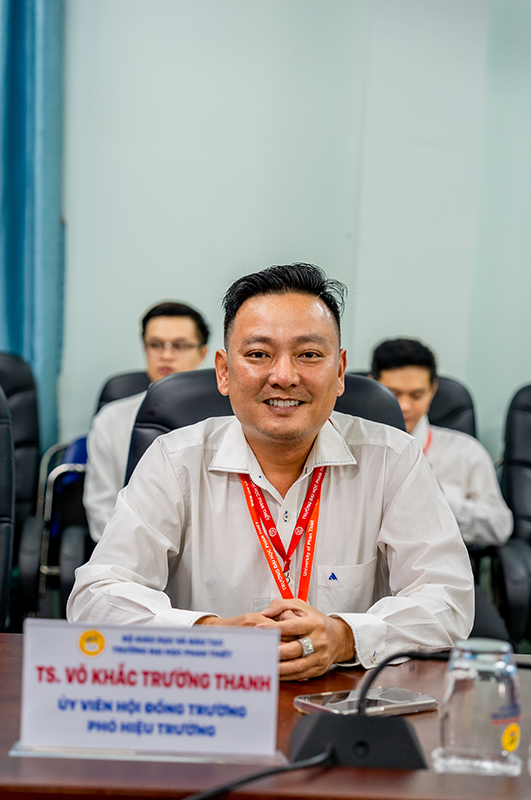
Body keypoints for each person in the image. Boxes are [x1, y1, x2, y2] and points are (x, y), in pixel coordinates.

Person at [69, 264, 473, 679]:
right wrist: (208, 634)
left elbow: (448, 599)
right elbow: (97, 596)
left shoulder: (394, 459)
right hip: (211, 694)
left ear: (339, 372)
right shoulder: (174, 460)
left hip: (346, 698)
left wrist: (345, 636)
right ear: (224, 372)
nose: (284, 376)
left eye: (309, 355)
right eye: (259, 354)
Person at [83, 301, 209, 542]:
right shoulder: (111, 419)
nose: (166, 355)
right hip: (129, 550)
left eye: (180, 346)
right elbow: (101, 510)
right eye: (155, 345)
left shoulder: (227, 417)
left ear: (202, 353)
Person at [370, 338, 512, 547]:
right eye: (393, 394)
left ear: (432, 391)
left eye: (417, 395)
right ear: (373, 386)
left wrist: (441, 499)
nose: (405, 406)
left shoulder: (465, 450)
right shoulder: (348, 447)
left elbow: (500, 527)